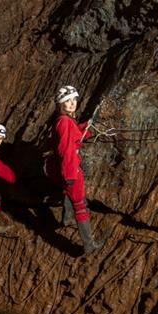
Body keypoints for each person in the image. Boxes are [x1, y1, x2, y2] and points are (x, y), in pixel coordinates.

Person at [46, 85, 102, 254]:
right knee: (80, 204)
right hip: (69, 168)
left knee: (67, 192)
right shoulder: (64, 122)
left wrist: (88, 127)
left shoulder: (66, 120)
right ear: (60, 104)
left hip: (62, 168)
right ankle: (88, 244)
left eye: (74, 100)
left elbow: (74, 133)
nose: (72, 103)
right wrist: (70, 173)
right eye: (67, 101)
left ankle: (66, 219)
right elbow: (65, 149)